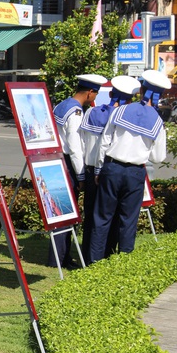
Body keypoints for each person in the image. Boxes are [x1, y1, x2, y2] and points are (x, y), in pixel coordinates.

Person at [89, 70, 170, 263]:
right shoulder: (158, 122)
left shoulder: (120, 111)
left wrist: (99, 169)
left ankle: (94, 264)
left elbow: (105, 142)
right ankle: (125, 264)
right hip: (135, 172)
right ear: (161, 95)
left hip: (112, 168)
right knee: (128, 220)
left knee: (102, 218)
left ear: (140, 90)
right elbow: (158, 157)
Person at [79, 75, 141, 264]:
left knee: (93, 218)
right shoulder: (127, 117)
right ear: (130, 100)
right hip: (111, 170)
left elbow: (82, 141)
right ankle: (110, 255)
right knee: (115, 218)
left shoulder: (92, 113)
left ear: (111, 93)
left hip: (91, 170)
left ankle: (89, 258)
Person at [48, 73, 107, 269]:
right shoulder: (75, 112)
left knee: (59, 210)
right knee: (66, 212)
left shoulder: (62, 105)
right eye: (95, 94)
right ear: (90, 92)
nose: (95, 99)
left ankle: (56, 256)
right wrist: (81, 176)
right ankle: (61, 258)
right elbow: (74, 147)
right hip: (68, 164)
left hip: (57, 160)